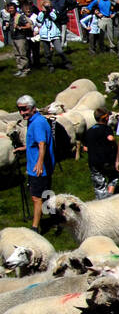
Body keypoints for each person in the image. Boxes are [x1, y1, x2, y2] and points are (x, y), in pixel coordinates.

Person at [17, 96, 54, 228]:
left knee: (36, 198)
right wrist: (26, 148)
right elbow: (39, 142)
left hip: (38, 167)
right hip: (41, 165)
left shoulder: (37, 123)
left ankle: (35, 228)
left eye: (24, 109)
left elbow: (42, 144)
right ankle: (55, 219)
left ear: (33, 108)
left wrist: (39, 163)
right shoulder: (36, 120)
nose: (22, 113)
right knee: (46, 193)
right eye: (19, 110)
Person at [81, 107, 116, 199]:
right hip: (106, 159)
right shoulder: (106, 128)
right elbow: (110, 138)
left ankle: (101, 200)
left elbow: (85, 148)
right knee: (113, 176)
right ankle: (110, 196)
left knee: (99, 182)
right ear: (106, 118)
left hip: (93, 161)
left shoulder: (90, 130)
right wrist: (113, 142)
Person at [35, 0, 70, 71]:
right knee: (47, 53)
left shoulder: (54, 12)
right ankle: (50, 65)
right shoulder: (41, 14)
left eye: (49, 6)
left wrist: (49, 12)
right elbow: (38, 22)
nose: (48, 8)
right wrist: (43, 13)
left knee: (59, 50)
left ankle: (66, 63)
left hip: (54, 34)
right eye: (46, 6)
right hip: (45, 35)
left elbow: (55, 18)